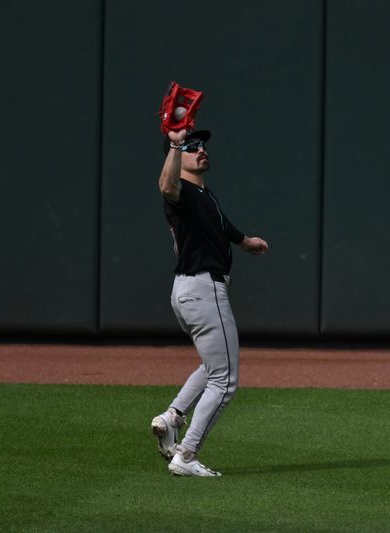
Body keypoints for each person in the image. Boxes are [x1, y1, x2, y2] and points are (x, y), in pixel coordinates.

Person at [150, 127, 268, 477]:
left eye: (202, 145)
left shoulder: (203, 194)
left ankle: (172, 418)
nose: (201, 150)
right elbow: (166, 186)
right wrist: (174, 143)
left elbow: (220, 225)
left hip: (188, 292)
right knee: (225, 381)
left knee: (212, 365)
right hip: (204, 290)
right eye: (192, 147)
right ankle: (187, 455)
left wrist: (243, 240)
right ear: (177, 156)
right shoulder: (182, 191)